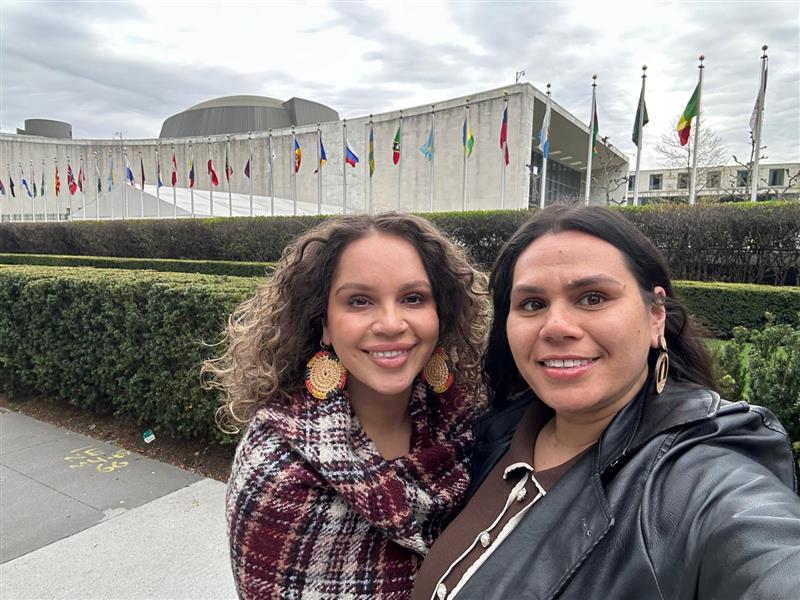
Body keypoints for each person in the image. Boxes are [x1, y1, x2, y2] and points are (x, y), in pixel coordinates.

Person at [413, 205, 800, 600]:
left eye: (593, 297)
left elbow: (767, 552)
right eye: (532, 304)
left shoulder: (698, 473)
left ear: (655, 315)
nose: (557, 327)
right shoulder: (489, 437)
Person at [203, 213, 489, 599]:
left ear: (441, 312)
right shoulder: (276, 468)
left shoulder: (476, 430)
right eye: (359, 301)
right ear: (324, 322)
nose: (391, 323)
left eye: (413, 298)